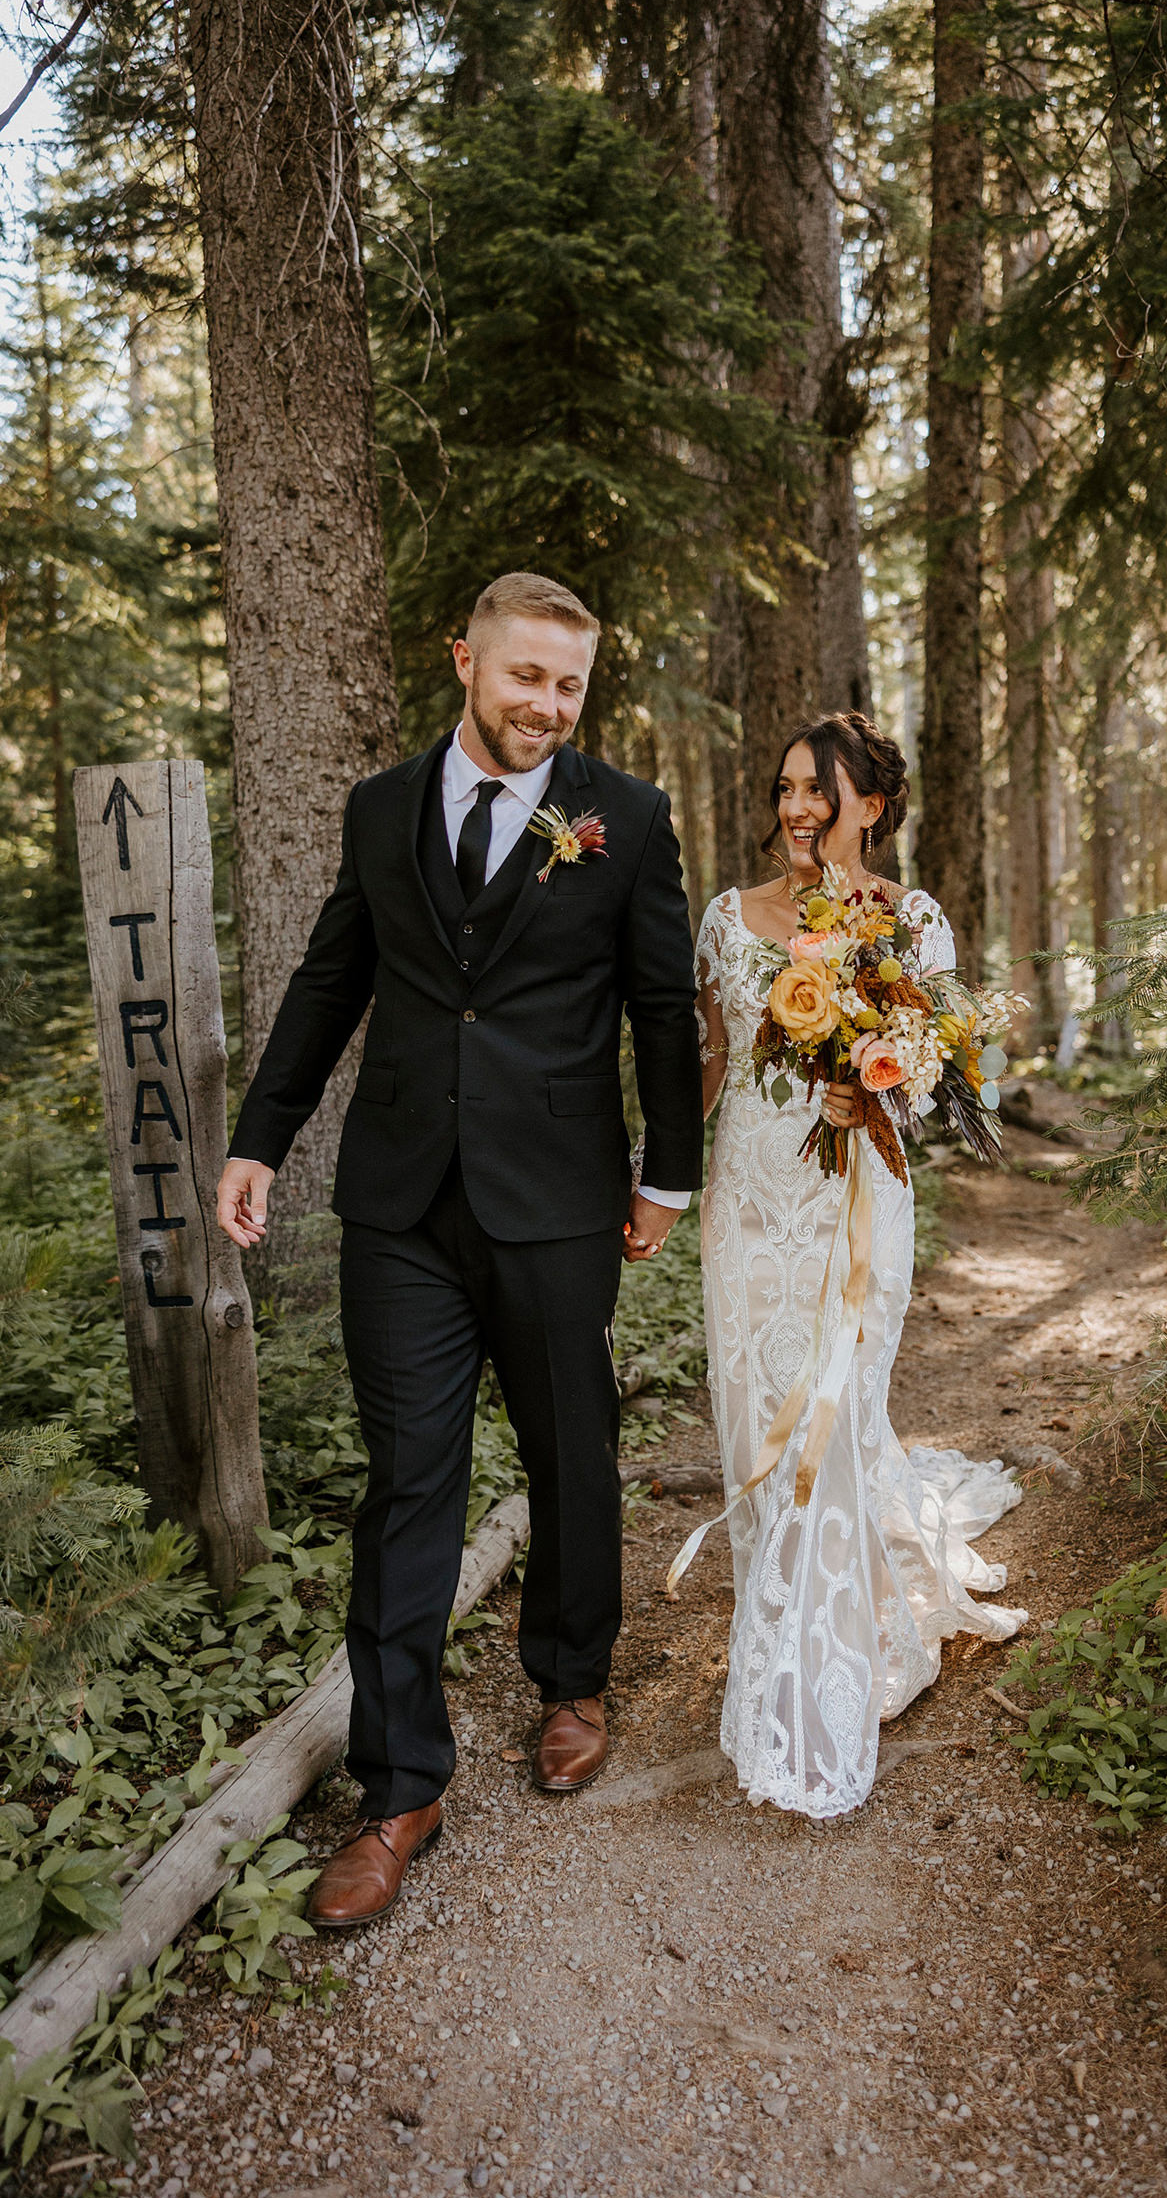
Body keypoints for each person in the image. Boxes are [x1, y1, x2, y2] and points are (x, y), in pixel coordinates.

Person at [216, 571, 702, 1927]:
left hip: (557, 1196)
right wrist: (260, 1137)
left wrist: (670, 1172)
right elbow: (330, 978)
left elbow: (660, 1007)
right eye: (527, 677)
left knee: (568, 1441)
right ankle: (399, 1786)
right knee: (408, 1482)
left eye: (570, 686)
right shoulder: (381, 809)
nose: (548, 707)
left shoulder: (626, 818)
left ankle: (572, 1674)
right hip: (399, 1201)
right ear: (466, 663)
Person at [693, 714, 1027, 1818]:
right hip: (748, 1204)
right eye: (785, 789)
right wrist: (648, 1185)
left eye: (819, 794)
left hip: (855, 1206)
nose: (796, 810)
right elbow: (710, 1064)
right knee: (756, 1419)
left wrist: (871, 1084)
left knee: (831, 1420)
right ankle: (777, 1621)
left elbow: (933, 1075)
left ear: (871, 809)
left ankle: (817, 1681)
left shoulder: (911, 921)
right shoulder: (728, 920)